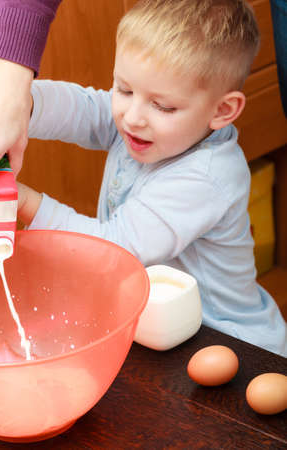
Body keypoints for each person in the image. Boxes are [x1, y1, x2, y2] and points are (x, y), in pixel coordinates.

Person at [16, 0, 286, 356]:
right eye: (124, 89)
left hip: (227, 341)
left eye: (162, 106)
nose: (133, 117)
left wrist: (21, 201)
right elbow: (83, 108)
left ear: (222, 110)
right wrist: (18, 103)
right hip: (161, 328)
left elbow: (116, 247)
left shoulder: (206, 176)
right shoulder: (144, 128)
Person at [0, 0, 62, 176]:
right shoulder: (113, 122)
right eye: (125, 91)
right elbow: (89, 111)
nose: (132, 117)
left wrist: (27, 200)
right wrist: (25, 104)